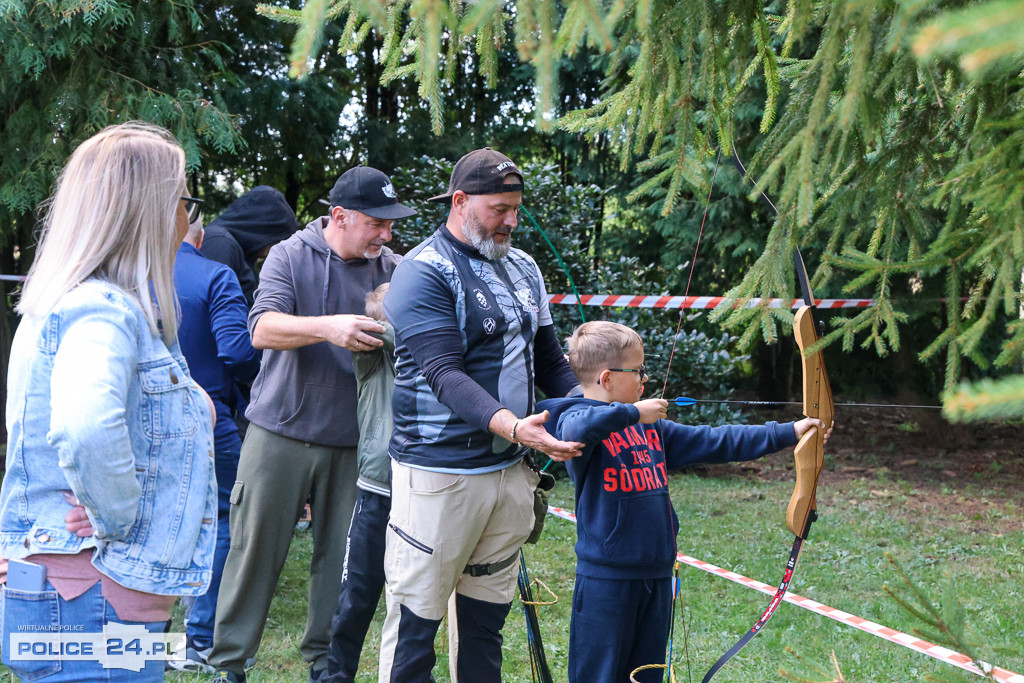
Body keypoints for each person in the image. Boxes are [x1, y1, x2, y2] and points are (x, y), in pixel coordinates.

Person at [0, 122, 218, 682]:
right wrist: (115, 515)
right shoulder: (103, 311)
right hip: (94, 600)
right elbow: (87, 427)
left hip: (83, 595)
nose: (187, 221)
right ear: (149, 209)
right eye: (184, 203)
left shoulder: (64, 304)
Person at [379, 148, 585, 683]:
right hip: (439, 478)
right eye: (499, 209)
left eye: (516, 208)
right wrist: (515, 426)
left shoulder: (524, 266)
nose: (511, 221)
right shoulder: (423, 271)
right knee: (415, 628)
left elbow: (551, 363)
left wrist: (594, 416)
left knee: (484, 627)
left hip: (510, 473)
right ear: (460, 201)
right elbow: (445, 375)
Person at [206, 166, 417, 683]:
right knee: (254, 551)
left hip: (359, 443)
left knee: (341, 561)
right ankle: (230, 664)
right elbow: (261, 329)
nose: (387, 234)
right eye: (376, 223)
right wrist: (330, 328)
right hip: (279, 431)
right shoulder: (289, 254)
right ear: (339, 217)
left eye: (391, 224)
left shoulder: (397, 268)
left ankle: (324, 663)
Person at [537, 321, 833, 683]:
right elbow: (577, 429)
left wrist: (788, 432)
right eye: (637, 371)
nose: (644, 379)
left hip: (656, 577)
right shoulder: (573, 419)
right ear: (607, 379)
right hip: (606, 582)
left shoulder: (652, 430)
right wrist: (633, 412)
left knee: (646, 674)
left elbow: (716, 441)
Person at [168, 215, 260, 672]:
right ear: (200, 237)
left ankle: (136, 641)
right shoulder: (215, 275)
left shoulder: (126, 278)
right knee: (226, 517)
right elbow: (237, 350)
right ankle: (199, 641)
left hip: (139, 425)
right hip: (207, 419)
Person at [324, 283, 394, 683]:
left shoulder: (435, 360)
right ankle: (337, 675)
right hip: (376, 491)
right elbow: (375, 332)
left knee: (413, 599)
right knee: (357, 596)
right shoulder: (369, 354)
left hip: (421, 492)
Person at [200, 185, 300, 307]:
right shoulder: (220, 243)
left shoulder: (239, 250)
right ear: (264, 230)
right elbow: (209, 305)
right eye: (279, 239)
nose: (278, 247)